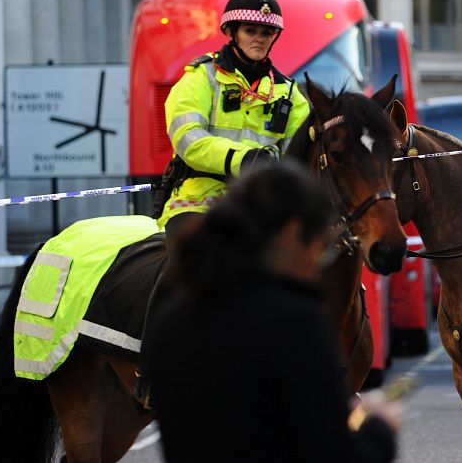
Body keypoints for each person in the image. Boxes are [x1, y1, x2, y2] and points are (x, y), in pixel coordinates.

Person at [143, 162, 401, 463]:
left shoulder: (171, 320)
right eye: (321, 247)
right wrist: (380, 428)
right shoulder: (296, 323)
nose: (319, 262)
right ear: (292, 235)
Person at [154, 0, 310, 249]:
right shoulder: (201, 77)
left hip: (263, 206)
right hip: (199, 200)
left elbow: (301, 154)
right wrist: (244, 159)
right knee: (192, 265)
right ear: (230, 32)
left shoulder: (290, 94)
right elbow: (187, 138)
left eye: (266, 33)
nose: (259, 39)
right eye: (250, 31)